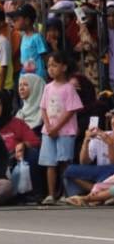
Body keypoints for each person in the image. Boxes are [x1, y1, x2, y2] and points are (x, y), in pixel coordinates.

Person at [38, 51, 82, 205]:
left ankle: (65, 193)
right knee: (50, 163)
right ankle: (51, 194)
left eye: (54, 65)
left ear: (64, 67)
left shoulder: (69, 88)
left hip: (65, 131)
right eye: (49, 66)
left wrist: (56, 127)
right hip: (49, 132)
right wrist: (49, 126)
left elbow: (70, 110)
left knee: (64, 163)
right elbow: (43, 108)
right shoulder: (48, 87)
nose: (51, 69)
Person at [63, 108, 114, 199]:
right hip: (100, 171)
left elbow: (112, 164)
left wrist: (110, 144)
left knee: (111, 169)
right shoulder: (103, 135)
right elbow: (84, 162)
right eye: (113, 118)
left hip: (111, 172)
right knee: (69, 170)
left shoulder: (107, 138)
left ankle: (98, 196)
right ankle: (99, 194)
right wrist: (86, 141)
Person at [0, 91, 38, 156]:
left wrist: (23, 145)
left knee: (32, 154)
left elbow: (35, 141)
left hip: (12, 161)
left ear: (5, 105)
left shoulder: (17, 123)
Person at [11, 4, 47, 82]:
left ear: (27, 20)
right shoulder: (24, 37)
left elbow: (44, 57)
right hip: (25, 75)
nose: (14, 23)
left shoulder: (37, 37)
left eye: (17, 20)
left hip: (37, 76)